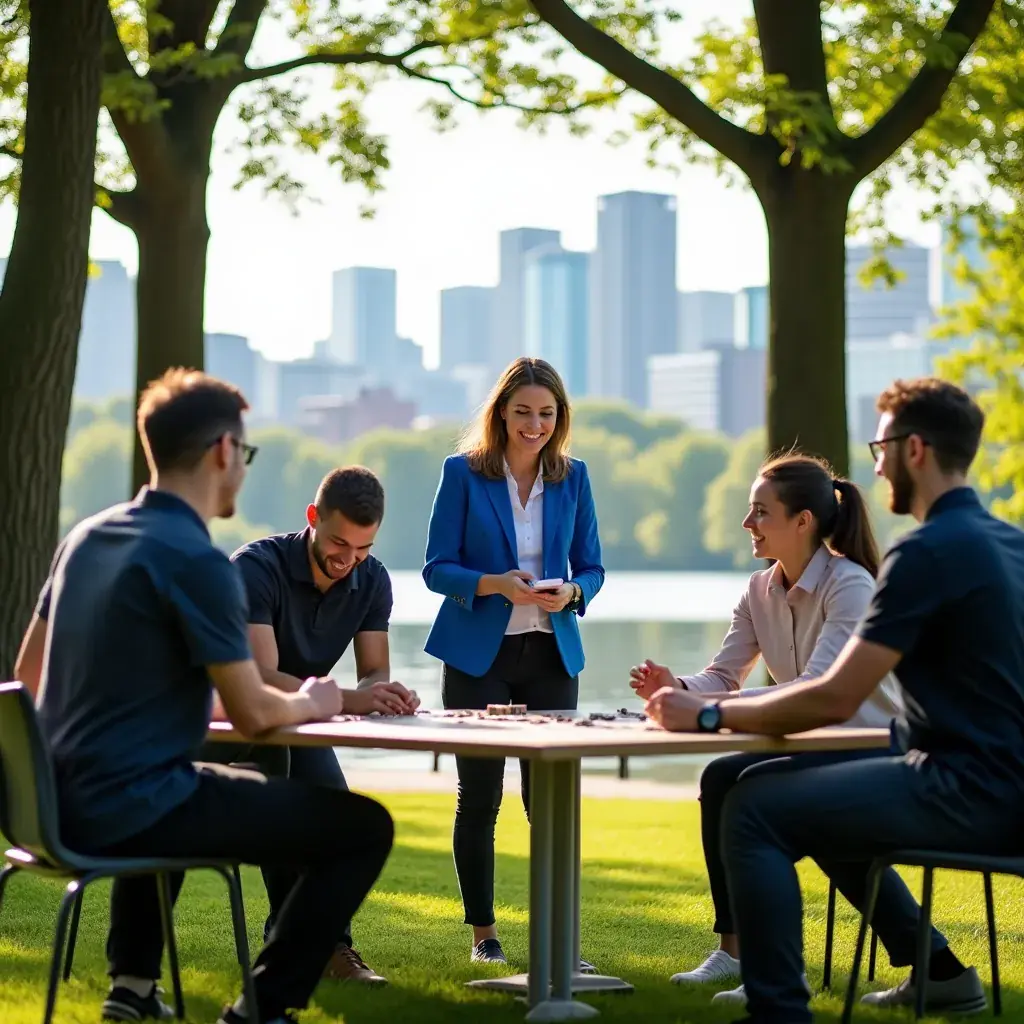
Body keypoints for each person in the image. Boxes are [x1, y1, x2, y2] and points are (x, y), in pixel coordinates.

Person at [14, 369, 394, 1024]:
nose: (241, 471)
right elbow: (253, 711)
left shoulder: (85, 538)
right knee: (363, 828)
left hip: (48, 808)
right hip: (129, 809)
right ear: (223, 452)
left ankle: (132, 988)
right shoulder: (200, 562)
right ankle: (260, 1008)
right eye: (243, 455)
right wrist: (318, 701)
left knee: (180, 775)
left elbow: (26, 678)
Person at [642, 377, 1022, 1024]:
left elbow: (833, 696)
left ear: (917, 450)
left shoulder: (924, 553)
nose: (875, 464)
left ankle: (778, 1012)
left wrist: (708, 714)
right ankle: (939, 971)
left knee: (755, 809)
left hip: (966, 790)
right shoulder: (1011, 542)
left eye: (881, 446)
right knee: (796, 801)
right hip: (1001, 788)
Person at [628, 453, 903, 996]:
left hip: (869, 749)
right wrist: (677, 687)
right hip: (811, 746)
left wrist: (707, 714)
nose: (747, 524)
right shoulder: (758, 590)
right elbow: (724, 675)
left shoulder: (849, 585)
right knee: (721, 778)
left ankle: (770, 965)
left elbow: (819, 689)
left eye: (760, 512)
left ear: (803, 521)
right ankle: (733, 951)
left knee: (751, 789)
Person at [199, 466, 418, 986]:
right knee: (286, 780)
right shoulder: (256, 568)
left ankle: (321, 945)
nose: (348, 561)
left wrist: (383, 692)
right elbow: (259, 677)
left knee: (337, 813)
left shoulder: (372, 579)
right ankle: (311, 948)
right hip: (226, 728)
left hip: (301, 722)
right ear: (313, 518)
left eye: (362, 550)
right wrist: (353, 698)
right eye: (339, 544)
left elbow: (373, 668)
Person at [422, 356, 604, 966]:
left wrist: (573, 592)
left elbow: (594, 568)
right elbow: (436, 568)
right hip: (479, 656)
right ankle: (485, 938)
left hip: (552, 652)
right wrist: (493, 583)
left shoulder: (573, 477)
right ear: (501, 412)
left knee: (548, 802)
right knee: (480, 797)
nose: (534, 424)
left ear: (560, 418)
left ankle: (563, 941)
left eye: (546, 414)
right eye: (523, 411)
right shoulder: (463, 474)